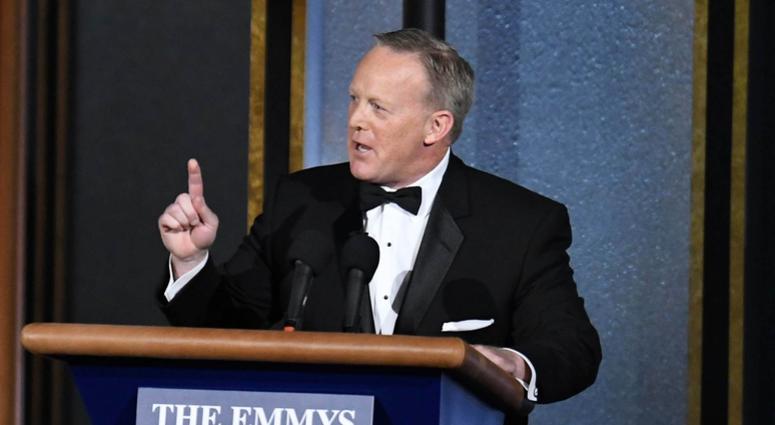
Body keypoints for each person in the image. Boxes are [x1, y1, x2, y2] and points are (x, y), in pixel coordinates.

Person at [157, 28, 601, 422]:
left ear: (436, 127)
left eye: (378, 108)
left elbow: (571, 347)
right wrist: (191, 261)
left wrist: (515, 365)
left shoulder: (520, 223)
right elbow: (228, 327)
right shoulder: (301, 199)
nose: (355, 120)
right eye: (354, 99)